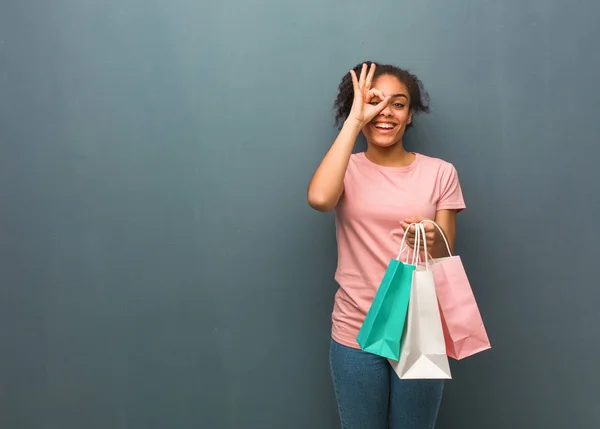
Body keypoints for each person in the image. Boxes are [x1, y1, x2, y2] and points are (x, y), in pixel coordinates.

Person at [307, 62, 466, 429]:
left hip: (420, 329)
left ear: (410, 115)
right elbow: (319, 199)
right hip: (355, 331)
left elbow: (446, 257)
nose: (386, 113)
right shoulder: (345, 167)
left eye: (398, 104)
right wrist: (353, 120)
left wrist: (433, 238)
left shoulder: (440, 172)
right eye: (374, 102)